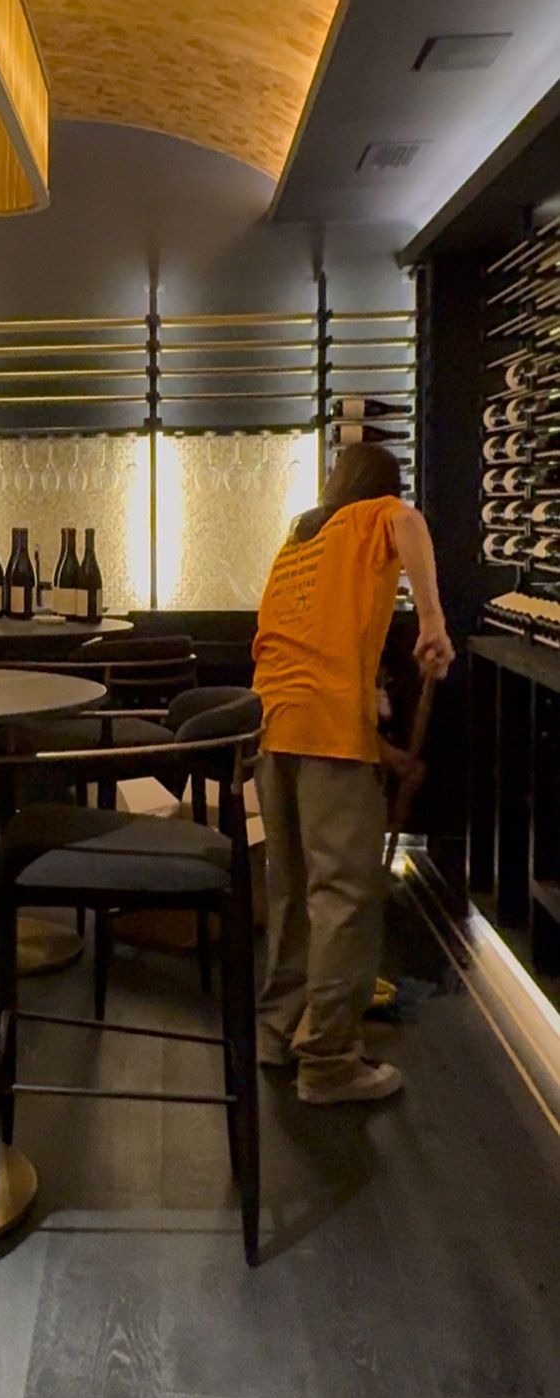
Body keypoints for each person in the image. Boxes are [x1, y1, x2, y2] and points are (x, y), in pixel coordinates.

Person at [252, 443, 453, 1105]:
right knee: (344, 897)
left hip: (272, 731)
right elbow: (411, 524)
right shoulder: (378, 517)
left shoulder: (302, 539)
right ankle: (331, 1061)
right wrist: (430, 618)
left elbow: (319, 666)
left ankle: (280, 1033)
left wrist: (391, 759)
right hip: (323, 733)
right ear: (383, 489)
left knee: (292, 895)